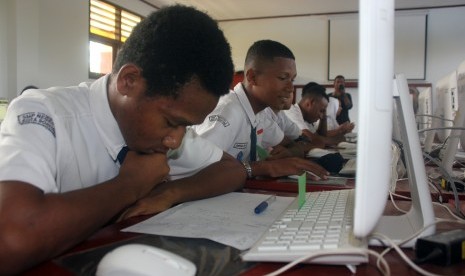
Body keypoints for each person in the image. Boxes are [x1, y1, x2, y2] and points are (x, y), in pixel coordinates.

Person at [0, 6, 246, 274]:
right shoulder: (45, 113)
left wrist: (171, 192)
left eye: (186, 127)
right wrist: (131, 185)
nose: (175, 141)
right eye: (172, 123)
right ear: (129, 81)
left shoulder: (163, 134)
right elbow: (11, 240)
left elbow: (232, 170)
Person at [193, 39, 329, 179]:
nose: (290, 89)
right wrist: (264, 167)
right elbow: (196, 170)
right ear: (253, 77)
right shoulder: (226, 113)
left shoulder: (260, 113)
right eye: (283, 78)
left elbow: (290, 143)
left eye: (292, 80)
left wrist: (291, 152)